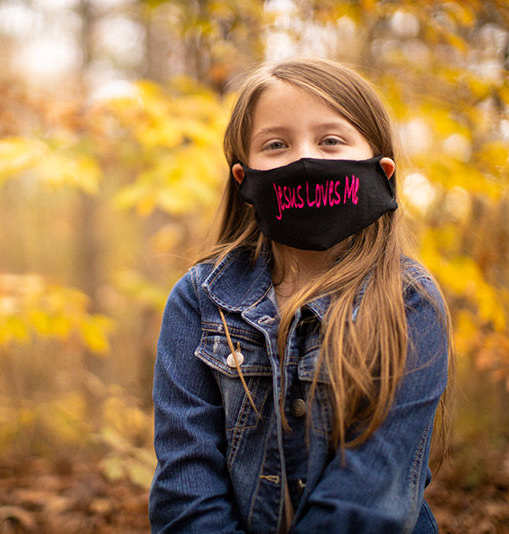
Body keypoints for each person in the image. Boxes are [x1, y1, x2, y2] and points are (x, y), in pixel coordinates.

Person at [149, 57, 452, 534]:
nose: (303, 160)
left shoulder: (409, 301)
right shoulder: (198, 301)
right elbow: (185, 487)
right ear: (242, 178)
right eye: (276, 144)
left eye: (331, 140)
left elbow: (372, 495)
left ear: (382, 170)